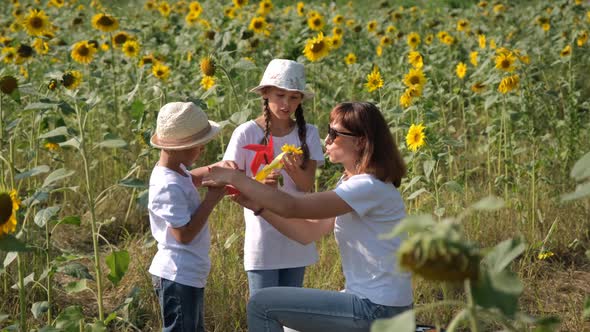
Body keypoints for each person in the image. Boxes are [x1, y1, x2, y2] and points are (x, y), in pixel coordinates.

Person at [203, 102, 413, 332]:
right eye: (328, 130)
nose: (327, 139)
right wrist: (258, 207)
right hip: (371, 303)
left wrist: (235, 177)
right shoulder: (351, 183)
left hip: (378, 309)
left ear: (361, 141)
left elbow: (292, 206)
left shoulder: (367, 186)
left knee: (261, 305)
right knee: (290, 327)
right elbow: (308, 233)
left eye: (335, 133)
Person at [222, 59, 325, 297]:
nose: (286, 104)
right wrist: (259, 186)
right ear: (266, 93)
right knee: (263, 309)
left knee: (291, 310)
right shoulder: (246, 132)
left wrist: (292, 169)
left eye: (294, 97)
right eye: (280, 95)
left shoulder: (308, 133)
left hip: (298, 233)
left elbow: (306, 185)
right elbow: (231, 184)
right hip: (263, 235)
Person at [148, 101, 225, 332]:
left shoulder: (175, 171)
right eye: (197, 146)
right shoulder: (167, 185)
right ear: (174, 149)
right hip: (178, 274)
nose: (202, 150)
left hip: (187, 273)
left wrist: (219, 169)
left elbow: (191, 179)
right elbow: (184, 235)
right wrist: (212, 199)